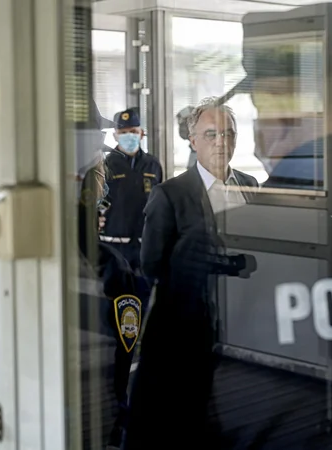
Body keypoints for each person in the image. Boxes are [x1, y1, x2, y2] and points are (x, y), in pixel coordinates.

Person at [0, 133, 143, 450]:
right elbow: (112, 389)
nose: (104, 189)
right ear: (76, 187)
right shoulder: (107, 271)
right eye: (99, 175)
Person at [125, 97, 259, 449]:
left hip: (241, 318)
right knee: (181, 408)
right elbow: (151, 263)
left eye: (228, 134)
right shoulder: (170, 195)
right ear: (193, 140)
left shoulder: (250, 185)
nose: (221, 142)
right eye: (211, 134)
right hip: (186, 320)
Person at [102, 108, 162, 276]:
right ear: (115, 135)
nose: (129, 136)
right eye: (124, 132)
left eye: (134, 131)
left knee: (145, 294)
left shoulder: (153, 165)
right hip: (114, 246)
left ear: (142, 133)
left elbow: (161, 203)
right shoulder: (105, 165)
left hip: (146, 245)